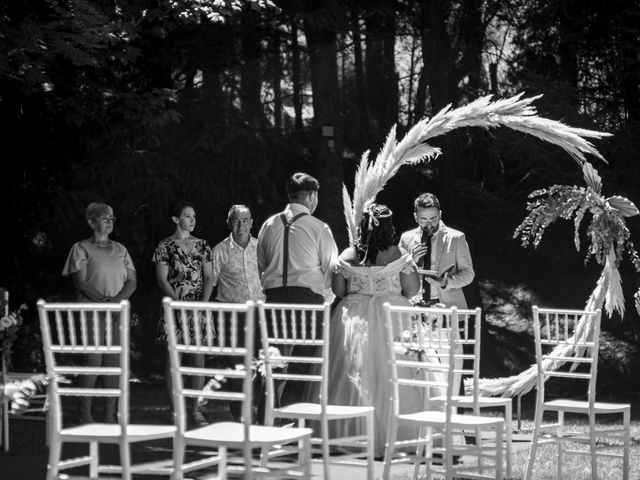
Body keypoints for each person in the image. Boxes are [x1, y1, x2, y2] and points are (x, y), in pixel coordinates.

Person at [309, 203, 421, 457]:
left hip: (354, 317)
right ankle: (395, 435)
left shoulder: (349, 255)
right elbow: (412, 289)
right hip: (391, 316)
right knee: (392, 374)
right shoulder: (398, 254)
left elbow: (339, 290)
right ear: (389, 227)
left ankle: (348, 434)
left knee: (353, 372)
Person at [256, 172, 338, 418]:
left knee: (273, 365)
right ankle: (296, 422)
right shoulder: (318, 227)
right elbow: (331, 269)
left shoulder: (268, 225)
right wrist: (323, 295)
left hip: (273, 300)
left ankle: (265, 421)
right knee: (305, 364)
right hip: (306, 301)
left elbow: (261, 263)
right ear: (312, 196)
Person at [62, 202, 137, 424]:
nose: (110, 221)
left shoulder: (121, 249)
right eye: (105, 218)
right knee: (92, 360)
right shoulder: (81, 248)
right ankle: (84, 415)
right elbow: (81, 283)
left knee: (113, 362)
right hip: (91, 310)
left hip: (117, 312)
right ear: (91, 222)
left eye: (112, 218)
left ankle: (109, 416)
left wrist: (116, 303)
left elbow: (132, 281)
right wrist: (108, 304)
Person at [152, 201, 214, 427]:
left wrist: (203, 304)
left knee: (198, 358)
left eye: (194, 216)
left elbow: (209, 277)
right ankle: (175, 409)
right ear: (176, 219)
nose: (192, 220)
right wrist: (178, 304)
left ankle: (196, 409)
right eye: (188, 216)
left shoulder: (203, 245)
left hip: (199, 308)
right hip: (174, 306)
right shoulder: (165, 246)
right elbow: (161, 279)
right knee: (173, 359)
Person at [211, 204, 264, 420]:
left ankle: (259, 413)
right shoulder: (220, 251)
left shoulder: (261, 248)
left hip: (260, 314)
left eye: (245, 220)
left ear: (252, 222)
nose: (240, 225)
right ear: (229, 223)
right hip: (232, 315)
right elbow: (211, 283)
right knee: (237, 366)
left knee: (262, 363)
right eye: (235, 220)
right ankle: (239, 416)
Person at [398, 192, 475, 308]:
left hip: (448, 307)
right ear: (415, 217)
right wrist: (411, 261)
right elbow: (396, 276)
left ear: (440, 215)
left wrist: (447, 282)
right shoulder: (406, 238)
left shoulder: (457, 238)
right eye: (423, 219)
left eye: (433, 218)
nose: (429, 224)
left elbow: (468, 274)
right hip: (412, 306)